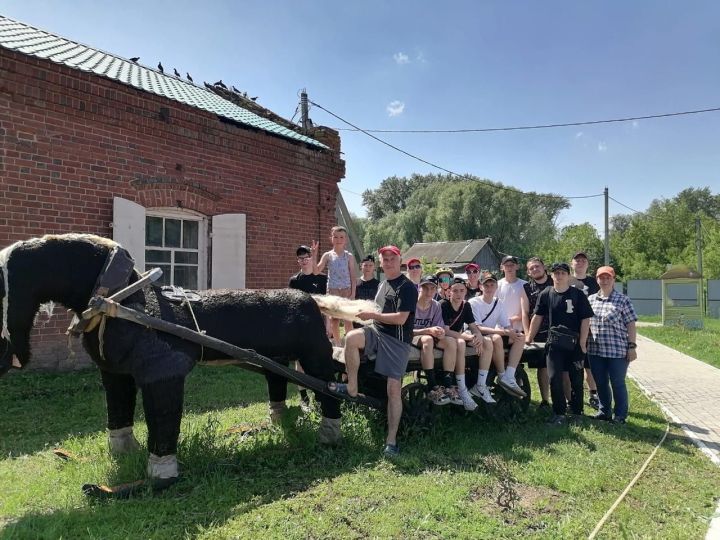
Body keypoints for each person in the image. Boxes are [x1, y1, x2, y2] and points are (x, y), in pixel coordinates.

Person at [330, 245, 417, 458]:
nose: (388, 262)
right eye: (385, 259)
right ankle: (352, 387)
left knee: (393, 390)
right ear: (381, 262)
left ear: (400, 260)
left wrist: (372, 316)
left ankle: (391, 441)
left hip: (397, 341)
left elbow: (401, 319)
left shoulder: (407, 287)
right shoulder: (383, 284)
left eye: (392, 259)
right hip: (377, 333)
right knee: (351, 337)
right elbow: (375, 312)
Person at [526, 262, 594, 426]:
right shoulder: (546, 294)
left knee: (576, 380)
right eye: (556, 273)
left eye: (563, 273)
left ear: (568, 275)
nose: (559, 275)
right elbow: (537, 317)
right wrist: (529, 337)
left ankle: (577, 412)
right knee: (555, 378)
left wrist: (583, 342)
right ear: (552, 275)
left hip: (575, 344)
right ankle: (559, 413)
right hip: (555, 344)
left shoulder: (578, 295)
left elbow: (586, 319)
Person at [587, 266, 638, 424]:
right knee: (600, 382)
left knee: (617, 383)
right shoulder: (590, 300)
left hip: (617, 350)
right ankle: (604, 412)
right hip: (595, 349)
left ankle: (620, 415)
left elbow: (631, 325)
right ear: (597, 280)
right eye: (601, 278)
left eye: (608, 277)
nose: (605, 280)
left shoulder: (623, 300)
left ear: (613, 279)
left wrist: (632, 346)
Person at [469, 272, 527, 399]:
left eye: (492, 285)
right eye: (486, 285)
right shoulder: (474, 302)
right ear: (481, 287)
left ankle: (509, 375)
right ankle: (501, 374)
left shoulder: (498, 303)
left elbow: (505, 324)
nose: (489, 288)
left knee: (520, 337)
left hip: (493, 334)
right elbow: (477, 328)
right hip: (478, 336)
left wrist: (511, 331)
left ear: (496, 287)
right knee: (496, 338)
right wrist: (505, 332)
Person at [438, 277, 489, 410]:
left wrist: (477, 335)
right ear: (449, 292)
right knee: (460, 342)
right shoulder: (444, 304)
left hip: (459, 337)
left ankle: (481, 384)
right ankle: (462, 389)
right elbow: (446, 331)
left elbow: (472, 325)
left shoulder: (465, 305)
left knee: (487, 341)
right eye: (455, 291)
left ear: (465, 291)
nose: (458, 294)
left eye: (461, 291)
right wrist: (466, 337)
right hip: (446, 338)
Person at [411, 275, 455, 406]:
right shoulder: (411, 304)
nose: (429, 292)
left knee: (451, 342)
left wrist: (440, 332)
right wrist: (428, 331)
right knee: (428, 340)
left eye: (432, 288)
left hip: (429, 335)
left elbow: (438, 326)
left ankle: (448, 383)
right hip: (412, 336)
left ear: (436, 290)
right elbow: (405, 330)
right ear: (419, 288)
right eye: (425, 288)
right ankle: (432, 385)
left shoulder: (436, 306)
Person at [314, 226, 357, 345]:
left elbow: (353, 276)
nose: (338, 239)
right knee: (334, 319)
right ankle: (337, 344)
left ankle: (350, 344)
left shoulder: (349, 256)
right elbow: (316, 271)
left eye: (341, 237)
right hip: (333, 291)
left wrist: (353, 293)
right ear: (331, 238)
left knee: (348, 319)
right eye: (336, 237)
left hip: (346, 290)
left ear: (345, 239)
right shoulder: (327, 255)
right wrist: (314, 255)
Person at [571, 251, 601, 410]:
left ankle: (594, 394)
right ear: (572, 263)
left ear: (587, 264)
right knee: (572, 364)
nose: (580, 263)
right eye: (577, 260)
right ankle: (572, 394)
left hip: (591, 328)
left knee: (589, 364)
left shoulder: (593, 282)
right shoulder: (566, 280)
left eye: (583, 260)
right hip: (570, 328)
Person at [520, 257, 552, 408]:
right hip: (537, 332)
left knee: (563, 367)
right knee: (542, 367)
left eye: (537, 266)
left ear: (544, 267)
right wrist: (528, 335)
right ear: (528, 272)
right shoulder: (527, 288)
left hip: (556, 330)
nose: (535, 269)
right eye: (531, 268)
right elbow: (525, 313)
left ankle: (567, 400)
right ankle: (545, 400)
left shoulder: (555, 281)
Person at [497, 255, 527, 333]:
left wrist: (512, 319)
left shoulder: (525, 285)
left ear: (517, 266)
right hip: (500, 329)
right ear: (501, 267)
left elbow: (527, 309)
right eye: (506, 265)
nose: (509, 267)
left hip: (520, 329)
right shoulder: (496, 285)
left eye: (512, 265)